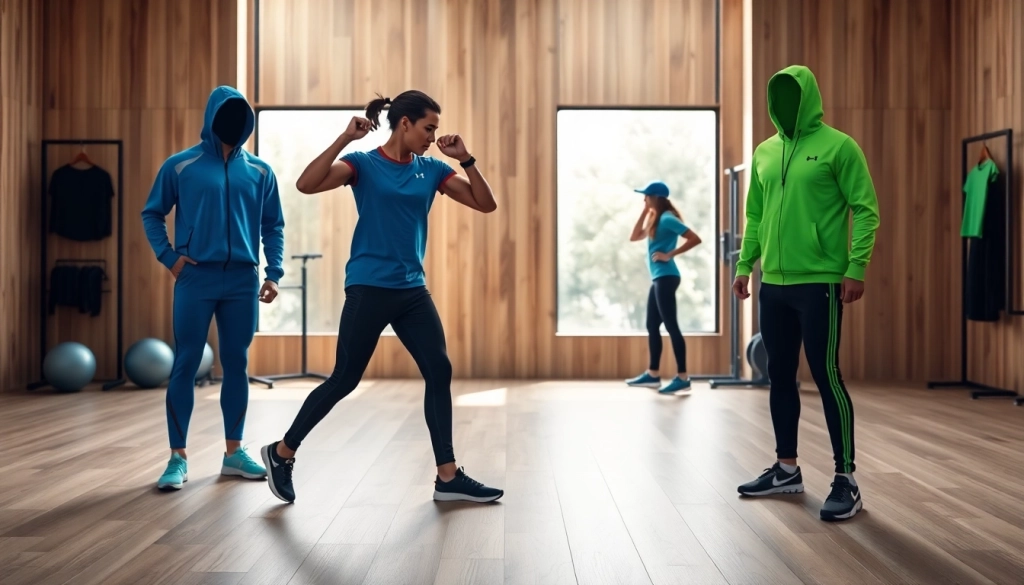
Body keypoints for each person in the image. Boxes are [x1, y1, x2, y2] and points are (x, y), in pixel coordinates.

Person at [259, 90, 503, 505]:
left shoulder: (432, 170)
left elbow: (486, 204)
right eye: (428, 128)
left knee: (438, 370)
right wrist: (344, 139)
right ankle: (282, 452)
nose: (432, 137)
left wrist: (466, 159)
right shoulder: (363, 164)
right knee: (344, 379)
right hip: (369, 286)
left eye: (436, 130)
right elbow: (306, 184)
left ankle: (447, 476)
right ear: (405, 123)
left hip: (411, 290)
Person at [732, 65, 880, 521]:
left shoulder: (839, 146)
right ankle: (786, 469)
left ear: (807, 97)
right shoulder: (765, 152)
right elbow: (755, 215)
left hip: (820, 283)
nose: (785, 103)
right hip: (773, 283)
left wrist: (855, 268)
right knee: (779, 374)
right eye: (778, 96)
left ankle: (846, 480)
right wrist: (745, 264)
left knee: (826, 374)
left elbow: (865, 209)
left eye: (792, 94)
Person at [142, 85, 285, 491]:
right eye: (226, 115)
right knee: (186, 361)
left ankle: (233, 454)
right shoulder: (180, 166)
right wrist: (170, 258)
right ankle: (177, 458)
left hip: (242, 279)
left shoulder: (260, 171)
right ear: (211, 118)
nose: (234, 123)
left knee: (236, 363)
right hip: (195, 277)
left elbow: (273, 225)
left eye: (241, 116)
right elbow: (152, 213)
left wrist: (273, 273)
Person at [624, 181, 702, 394]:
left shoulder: (667, 218)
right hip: (659, 278)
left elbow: (695, 238)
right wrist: (645, 211)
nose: (644, 199)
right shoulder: (656, 219)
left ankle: (683, 377)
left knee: (671, 326)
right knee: (652, 325)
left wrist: (670, 254)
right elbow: (634, 236)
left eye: (647, 196)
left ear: (656, 197)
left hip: (667, 276)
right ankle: (653, 374)